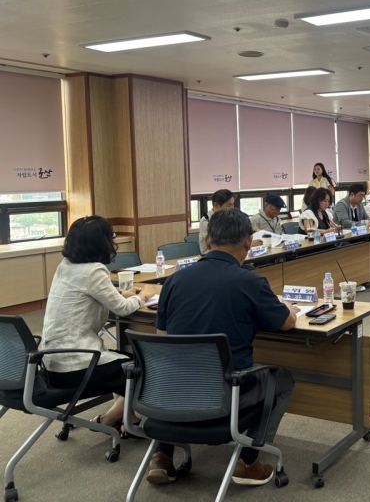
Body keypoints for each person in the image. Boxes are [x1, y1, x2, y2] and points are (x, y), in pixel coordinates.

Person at [148, 208, 297, 487]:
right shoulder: (250, 282)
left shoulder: (174, 281)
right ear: (249, 241)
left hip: (171, 395)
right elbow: (287, 323)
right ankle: (248, 461)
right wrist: (286, 305)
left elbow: (162, 339)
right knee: (283, 378)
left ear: (207, 240)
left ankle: (161, 456)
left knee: (178, 369)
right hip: (224, 397)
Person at [41, 216, 160, 433]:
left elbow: (88, 294)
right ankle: (107, 420)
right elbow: (122, 308)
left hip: (51, 361)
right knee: (145, 370)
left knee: (124, 361)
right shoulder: (94, 270)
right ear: (102, 243)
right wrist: (143, 296)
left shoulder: (65, 265)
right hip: (77, 364)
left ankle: (130, 418)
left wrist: (122, 293)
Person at [199, 189, 234, 254]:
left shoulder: (229, 218)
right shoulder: (205, 221)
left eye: (233, 204)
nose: (232, 208)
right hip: (210, 254)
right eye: (229, 205)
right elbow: (220, 243)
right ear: (216, 205)